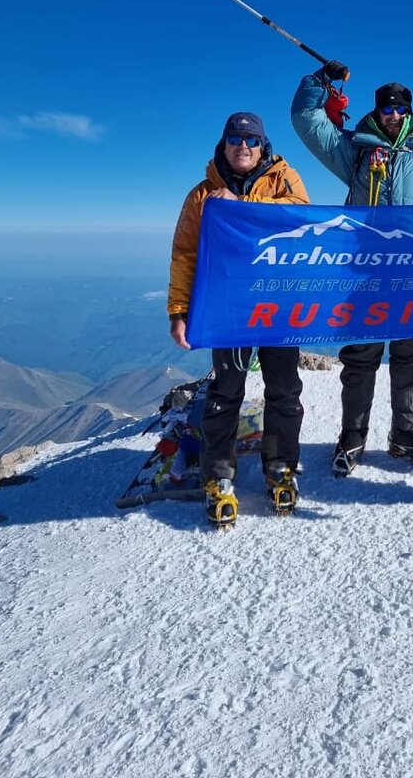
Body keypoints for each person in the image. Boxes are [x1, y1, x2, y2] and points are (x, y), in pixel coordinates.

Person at [291, 59, 413, 477]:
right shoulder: (357, 152)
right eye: (387, 108)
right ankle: (353, 435)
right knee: (361, 356)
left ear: (410, 112)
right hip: (364, 273)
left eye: (401, 109)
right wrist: (320, 82)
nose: (394, 115)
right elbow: (308, 121)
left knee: (410, 355)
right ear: (376, 111)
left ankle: (407, 434)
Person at [168, 111, 310, 524]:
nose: (242, 146)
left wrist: (241, 204)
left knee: (284, 390)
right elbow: (185, 255)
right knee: (226, 391)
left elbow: (300, 216)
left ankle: (281, 467)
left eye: (251, 140)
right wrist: (179, 311)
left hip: (280, 304)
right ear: (223, 144)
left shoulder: (286, 180)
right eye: (235, 139)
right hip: (229, 307)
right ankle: (218, 475)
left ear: (263, 145)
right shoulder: (201, 195)